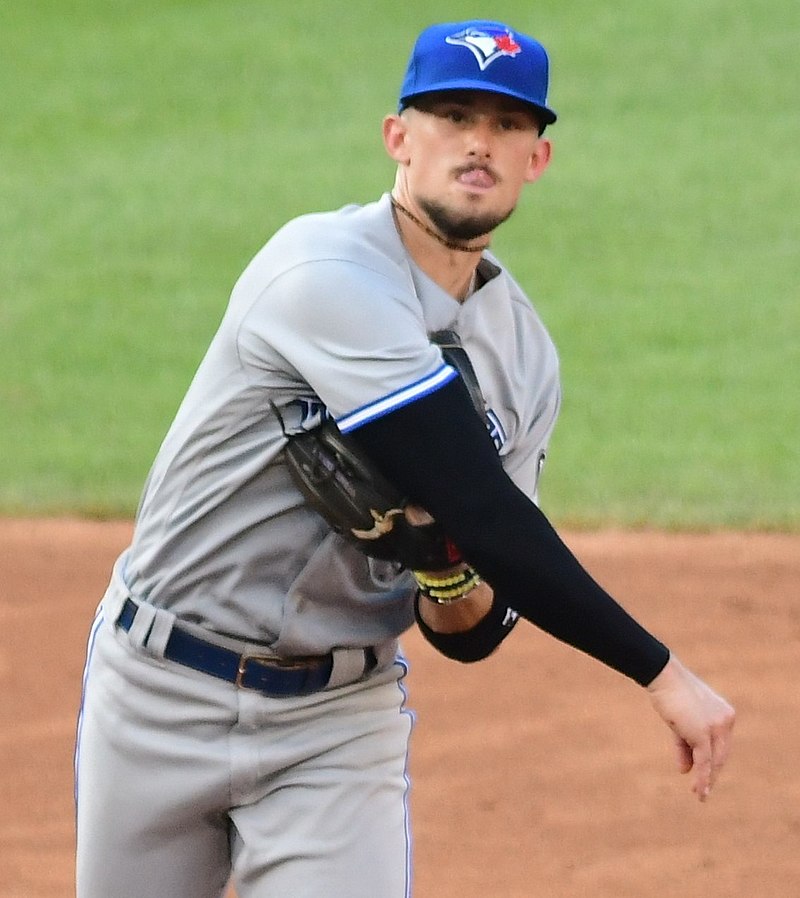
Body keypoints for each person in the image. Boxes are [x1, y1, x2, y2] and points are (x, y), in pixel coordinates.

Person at [74, 19, 735, 898]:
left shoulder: (524, 358)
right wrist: (661, 671)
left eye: (508, 124)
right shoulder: (319, 271)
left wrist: (448, 572)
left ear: (537, 160)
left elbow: (478, 620)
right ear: (399, 138)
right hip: (157, 690)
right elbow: (483, 503)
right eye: (453, 114)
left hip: (336, 723)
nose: (478, 142)